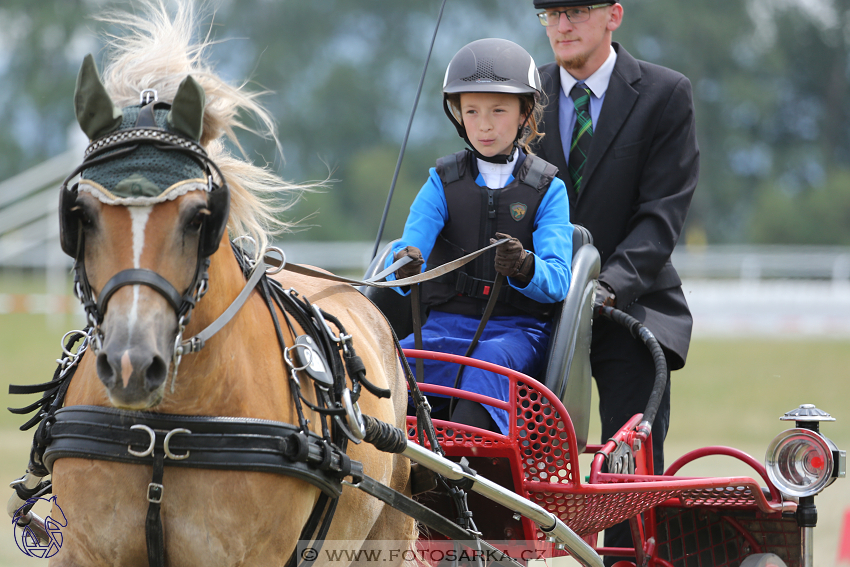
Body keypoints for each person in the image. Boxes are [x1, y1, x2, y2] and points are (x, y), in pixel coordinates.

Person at [529, 1, 699, 563]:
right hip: (539, 304)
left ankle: (628, 556)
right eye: (550, 14)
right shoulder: (519, 96)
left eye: (575, 10)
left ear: (614, 16)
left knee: (627, 462)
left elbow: (662, 215)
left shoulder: (664, 94)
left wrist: (606, 286)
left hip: (632, 307)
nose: (562, 26)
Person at [386, 38, 573, 435]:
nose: (484, 125)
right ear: (458, 115)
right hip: (441, 329)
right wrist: (406, 262)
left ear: (525, 112)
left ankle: (467, 479)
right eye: (471, 111)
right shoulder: (440, 182)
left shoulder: (549, 189)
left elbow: (558, 281)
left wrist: (524, 266)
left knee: (485, 374)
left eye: (498, 110)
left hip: (516, 336)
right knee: (388, 368)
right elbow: (401, 256)